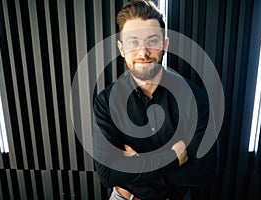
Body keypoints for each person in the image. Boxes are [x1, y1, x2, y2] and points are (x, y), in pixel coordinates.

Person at [92, 0, 218, 199]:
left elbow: (204, 173)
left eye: (152, 41)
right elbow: (107, 175)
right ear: (122, 48)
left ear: (165, 44)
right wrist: (173, 157)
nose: (143, 52)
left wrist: (137, 164)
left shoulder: (194, 98)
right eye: (133, 42)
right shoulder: (106, 102)